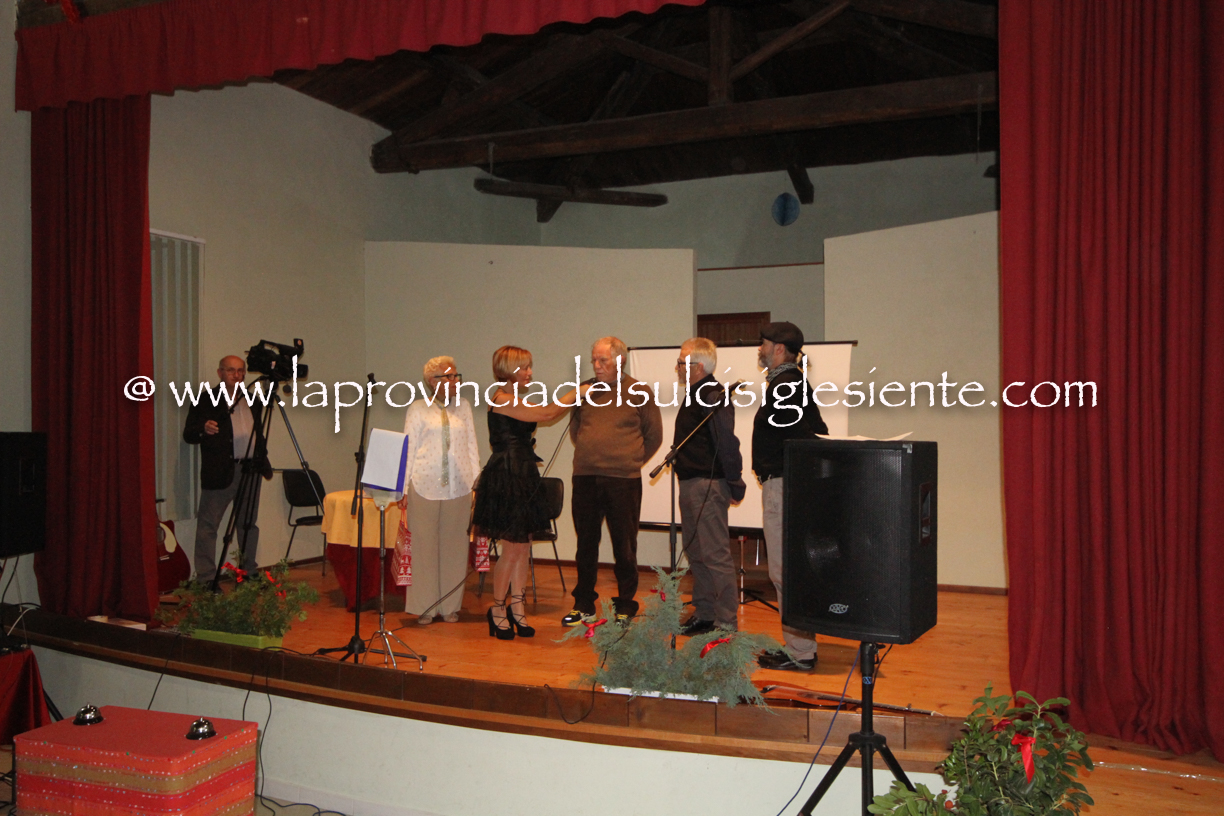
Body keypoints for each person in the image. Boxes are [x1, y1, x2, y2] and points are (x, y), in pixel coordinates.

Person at [470, 346, 581, 640]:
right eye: (524, 368)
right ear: (508, 370)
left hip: (523, 472)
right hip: (507, 475)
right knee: (511, 548)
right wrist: (578, 391)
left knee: (523, 546)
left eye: (530, 367)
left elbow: (541, 413)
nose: (530, 372)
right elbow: (547, 413)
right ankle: (497, 608)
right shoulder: (500, 398)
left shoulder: (516, 398)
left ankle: (517, 606)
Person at [563, 336, 663, 626]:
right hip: (585, 478)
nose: (596, 365)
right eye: (594, 360)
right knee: (585, 544)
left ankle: (626, 603)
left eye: (603, 360)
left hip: (623, 480)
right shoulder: (585, 392)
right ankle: (584, 603)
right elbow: (576, 431)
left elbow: (654, 436)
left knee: (624, 546)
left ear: (620, 361)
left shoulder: (639, 391)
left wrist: (629, 461)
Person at [753, 322, 828, 671]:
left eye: (763, 343)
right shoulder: (791, 382)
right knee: (789, 572)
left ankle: (800, 653)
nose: (759, 349)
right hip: (789, 484)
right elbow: (817, 431)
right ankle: (802, 648)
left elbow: (804, 435)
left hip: (783, 486)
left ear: (779, 348)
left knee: (785, 573)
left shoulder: (786, 384)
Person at [672, 338, 746, 635]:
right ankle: (704, 613)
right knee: (696, 552)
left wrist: (734, 481)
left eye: (681, 362)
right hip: (691, 483)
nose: (677, 367)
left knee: (714, 555)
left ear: (698, 366)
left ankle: (725, 621)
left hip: (707, 485)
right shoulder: (695, 394)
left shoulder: (712, 395)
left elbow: (727, 441)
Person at [400, 356, 480, 625]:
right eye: (449, 376)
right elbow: (409, 448)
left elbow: (472, 446)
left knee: (455, 548)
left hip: (460, 487)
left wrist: (477, 482)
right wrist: (402, 487)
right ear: (433, 381)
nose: (455, 381)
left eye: (457, 376)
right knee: (424, 549)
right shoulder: (417, 409)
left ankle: (449, 607)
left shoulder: (464, 407)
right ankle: (425, 607)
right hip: (424, 485)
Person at [183, 355, 273, 584]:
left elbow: (258, 432)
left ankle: (248, 573)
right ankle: (206, 579)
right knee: (208, 526)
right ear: (220, 373)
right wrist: (203, 428)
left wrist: (262, 457)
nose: (237, 375)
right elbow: (189, 434)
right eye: (231, 370)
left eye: (241, 371)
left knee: (248, 525)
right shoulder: (206, 399)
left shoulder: (252, 400)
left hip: (250, 470)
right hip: (220, 471)